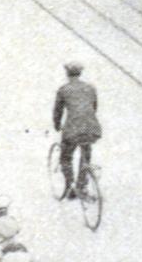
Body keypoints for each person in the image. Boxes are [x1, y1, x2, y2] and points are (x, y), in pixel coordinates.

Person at [53, 62, 101, 198]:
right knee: (86, 154)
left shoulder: (63, 89)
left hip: (72, 129)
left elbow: (58, 111)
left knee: (66, 157)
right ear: (80, 73)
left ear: (67, 73)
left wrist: (57, 125)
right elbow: (94, 107)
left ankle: (70, 186)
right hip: (92, 127)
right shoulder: (91, 88)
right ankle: (82, 185)